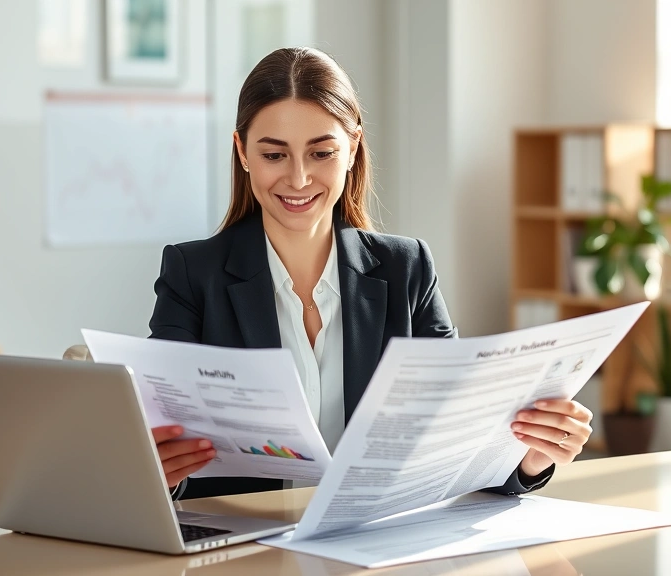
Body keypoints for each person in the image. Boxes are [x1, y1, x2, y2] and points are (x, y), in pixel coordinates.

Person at [148, 47, 593, 500]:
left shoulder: (407, 269)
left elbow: (457, 440)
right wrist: (159, 469)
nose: (299, 179)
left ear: (353, 147)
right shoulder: (192, 274)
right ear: (242, 152)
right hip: (241, 548)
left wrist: (531, 455)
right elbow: (162, 446)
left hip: (375, 543)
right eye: (275, 155)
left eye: (321, 153)